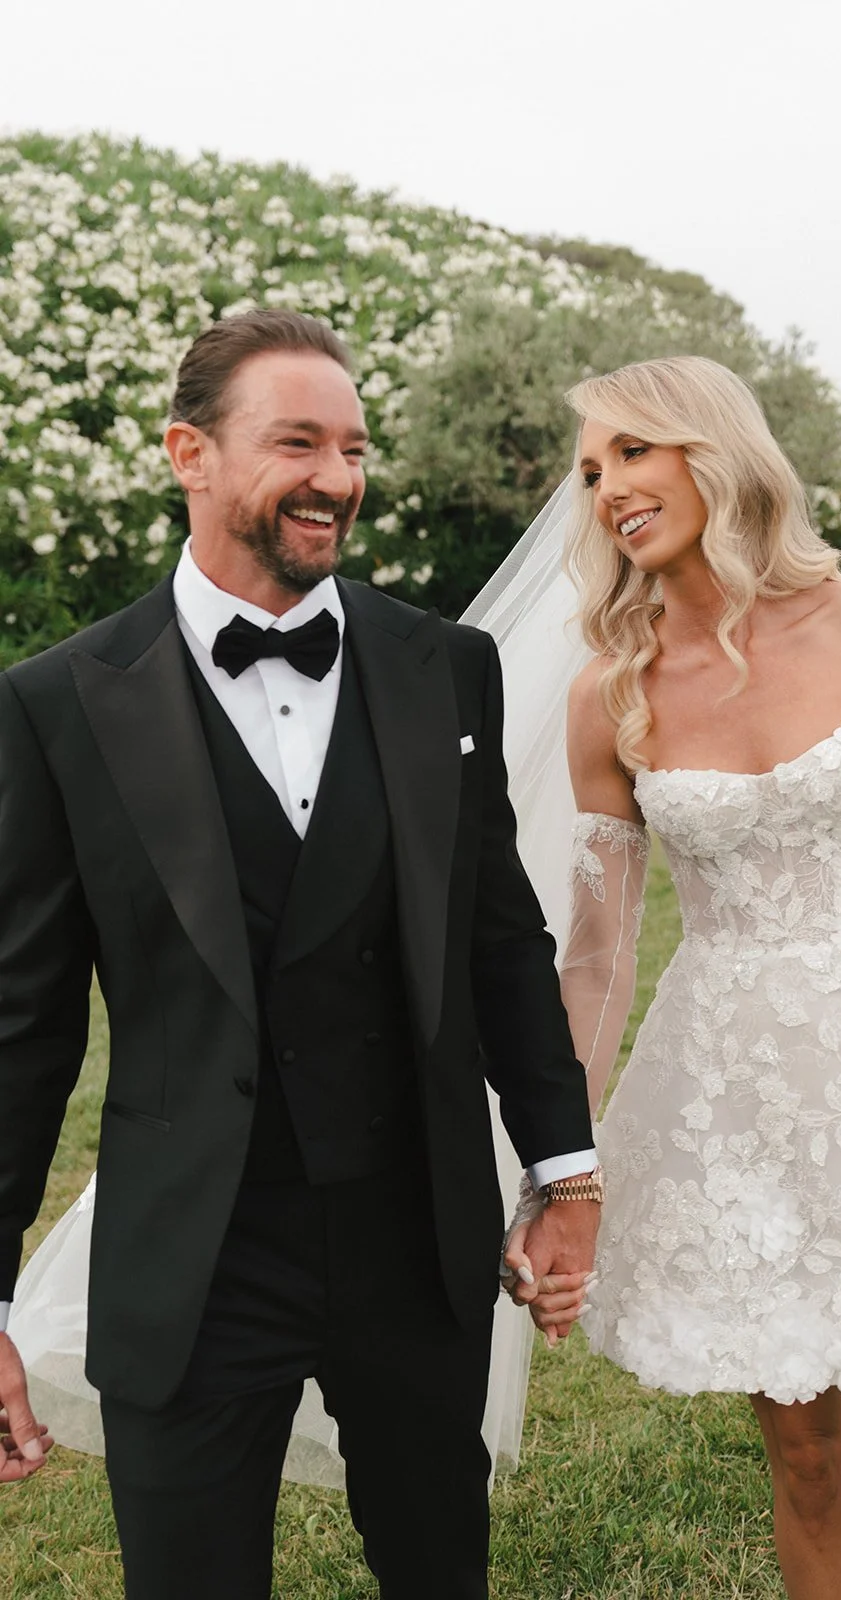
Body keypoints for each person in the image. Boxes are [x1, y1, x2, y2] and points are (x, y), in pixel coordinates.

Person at [0, 308, 602, 1599]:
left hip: (414, 1236)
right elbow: (25, 1029)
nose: (338, 476)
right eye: (297, 442)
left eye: (354, 444)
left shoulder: (445, 668)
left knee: (440, 1570)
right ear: (189, 454)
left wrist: (564, 1168)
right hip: (195, 1259)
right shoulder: (58, 705)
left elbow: (500, 938)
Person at [502, 355, 841, 1600]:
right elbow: (595, 961)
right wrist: (558, 1163)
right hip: (741, 1107)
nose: (607, 491)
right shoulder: (610, 694)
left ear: (712, 448)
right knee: (806, 1476)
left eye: (632, 453)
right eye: (590, 471)